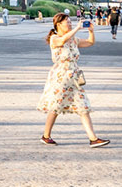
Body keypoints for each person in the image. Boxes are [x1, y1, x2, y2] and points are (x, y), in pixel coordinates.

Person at [38, 12, 109, 147]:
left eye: (71, 22)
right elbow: (62, 41)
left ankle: (93, 138)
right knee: (56, 106)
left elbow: (90, 42)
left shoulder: (74, 39)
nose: (70, 24)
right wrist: (77, 28)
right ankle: (46, 135)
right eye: (67, 22)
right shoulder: (54, 38)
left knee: (83, 106)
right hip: (61, 77)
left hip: (74, 77)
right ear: (58, 24)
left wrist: (91, 31)